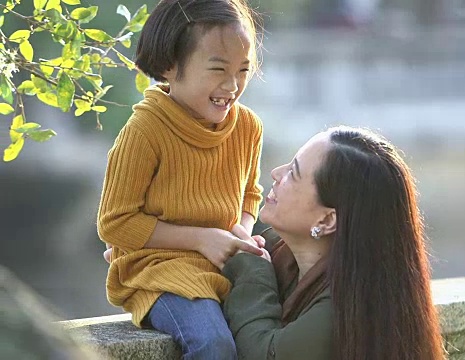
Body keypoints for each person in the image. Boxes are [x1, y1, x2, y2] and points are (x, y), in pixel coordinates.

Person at [96, 0, 265, 359]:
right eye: (218, 69)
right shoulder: (145, 130)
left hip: (222, 262)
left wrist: (242, 232)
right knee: (213, 344)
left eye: (243, 70)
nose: (232, 86)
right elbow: (115, 223)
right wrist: (202, 239)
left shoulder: (248, 126)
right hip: (159, 271)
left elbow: (250, 194)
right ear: (169, 66)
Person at [222, 126, 445, 360]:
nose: (276, 173)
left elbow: (263, 353)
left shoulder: (347, 308)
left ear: (327, 219)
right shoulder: (279, 251)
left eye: (293, 173)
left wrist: (252, 269)